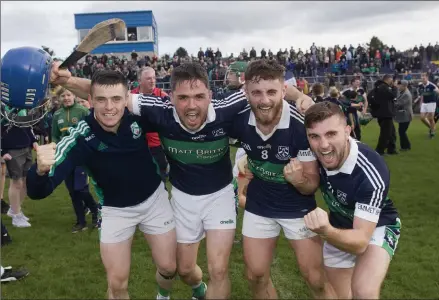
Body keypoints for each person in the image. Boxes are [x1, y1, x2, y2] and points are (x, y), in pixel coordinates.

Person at [49, 60, 313, 300]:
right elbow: (109, 96)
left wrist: (300, 95)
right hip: (183, 198)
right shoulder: (158, 111)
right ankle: (198, 291)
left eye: (199, 97)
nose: (192, 105)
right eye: (183, 97)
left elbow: (268, 84)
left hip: (220, 195)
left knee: (218, 270)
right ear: (171, 96)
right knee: (184, 270)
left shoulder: (226, 108)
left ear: (210, 96)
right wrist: (66, 81)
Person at [27, 68, 177, 300]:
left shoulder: (137, 117)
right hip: (115, 211)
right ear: (90, 100)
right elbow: (39, 191)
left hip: (154, 202)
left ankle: (163, 295)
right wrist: (39, 171)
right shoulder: (81, 137)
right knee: (116, 285)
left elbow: (178, 115)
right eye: (101, 100)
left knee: (168, 268)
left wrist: (68, 79)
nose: (109, 107)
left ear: (127, 99)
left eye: (116, 99)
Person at [229, 60, 335, 299]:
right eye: (256, 92)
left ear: (283, 91)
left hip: (297, 206)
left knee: (316, 279)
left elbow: (310, 186)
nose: (264, 100)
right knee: (255, 275)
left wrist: (298, 181)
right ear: (246, 92)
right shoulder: (238, 120)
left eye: (271, 92)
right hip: (260, 206)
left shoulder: (300, 126)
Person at [301, 101, 401, 299]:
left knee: (363, 291)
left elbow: (361, 241)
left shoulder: (370, 171)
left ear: (348, 131)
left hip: (376, 227)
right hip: (339, 226)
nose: (323, 145)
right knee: (340, 295)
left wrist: (326, 231)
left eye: (331, 134)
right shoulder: (313, 154)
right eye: (314, 136)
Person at [52, 87, 99, 232]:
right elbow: (54, 135)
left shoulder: (82, 111)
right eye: (63, 96)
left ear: (74, 96)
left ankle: (96, 211)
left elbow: (92, 131)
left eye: (69, 95)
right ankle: (81, 222)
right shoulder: (57, 115)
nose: (66, 98)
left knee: (81, 189)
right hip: (66, 158)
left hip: (81, 157)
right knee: (73, 191)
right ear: (59, 98)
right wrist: (55, 146)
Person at [130, 67, 169, 184]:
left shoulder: (162, 95)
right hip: (136, 143)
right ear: (139, 80)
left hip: (156, 144)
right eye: (148, 78)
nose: (152, 81)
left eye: (153, 78)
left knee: (160, 175)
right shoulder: (130, 96)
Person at [368, 74, 398, 156]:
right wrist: (395, 87)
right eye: (391, 80)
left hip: (382, 113)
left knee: (391, 133)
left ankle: (391, 149)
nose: (392, 82)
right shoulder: (384, 88)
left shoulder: (378, 87)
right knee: (385, 133)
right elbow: (393, 95)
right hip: (385, 114)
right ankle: (379, 150)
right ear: (388, 79)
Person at [414, 73, 439, 138]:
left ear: (427, 78)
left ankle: (432, 132)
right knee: (422, 118)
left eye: (424, 77)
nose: (423, 79)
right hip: (424, 103)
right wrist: (420, 102)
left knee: (430, 118)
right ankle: (432, 127)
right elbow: (422, 95)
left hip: (432, 103)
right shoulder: (420, 86)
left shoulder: (432, 85)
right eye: (422, 77)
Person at [394, 80, 413, 151]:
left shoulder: (406, 94)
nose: (398, 86)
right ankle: (405, 146)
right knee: (401, 131)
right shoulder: (401, 92)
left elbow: (399, 103)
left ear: (404, 86)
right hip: (403, 115)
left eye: (400, 85)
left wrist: (391, 103)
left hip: (406, 115)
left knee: (402, 131)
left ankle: (406, 146)